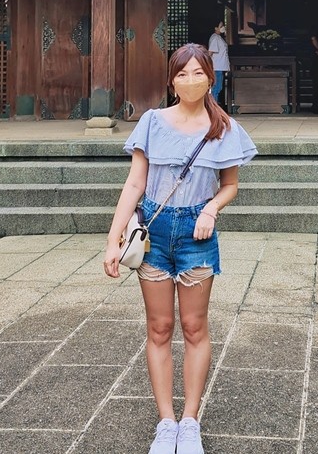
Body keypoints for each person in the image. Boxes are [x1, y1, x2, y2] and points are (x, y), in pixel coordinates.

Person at [104, 42, 257, 454]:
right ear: (172, 80)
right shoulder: (152, 122)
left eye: (198, 73)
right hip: (154, 230)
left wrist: (210, 210)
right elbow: (135, 183)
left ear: (211, 77)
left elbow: (231, 186)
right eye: (182, 73)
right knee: (159, 327)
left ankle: (190, 421)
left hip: (196, 234)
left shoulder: (222, 128)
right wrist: (113, 238)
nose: (190, 80)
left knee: (194, 326)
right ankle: (165, 422)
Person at [207, 20, 230, 105]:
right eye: (221, 26)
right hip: (217, 67)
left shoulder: (218, 37)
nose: (223, 27)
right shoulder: (215, 38)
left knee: (218, 87)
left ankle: (214, 106)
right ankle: (213, 106)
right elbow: (210, 52)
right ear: (216, 28)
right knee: (216, 88)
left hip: (220, 66)